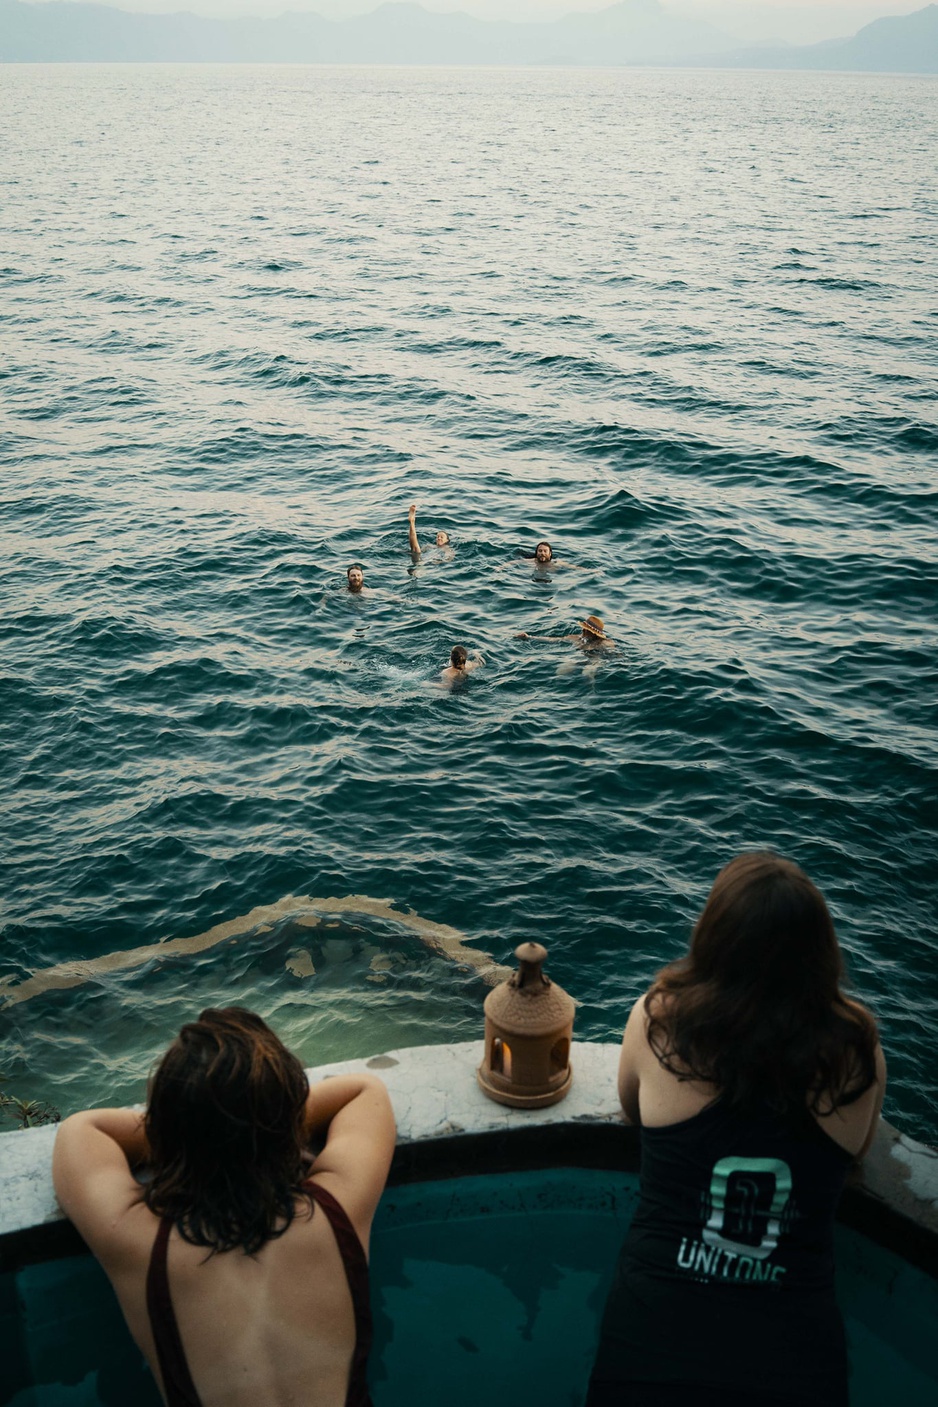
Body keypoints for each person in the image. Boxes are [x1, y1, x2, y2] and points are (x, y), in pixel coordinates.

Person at [586, 853, 886, 1407]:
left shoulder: (658, 1022)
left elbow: (632, 1112)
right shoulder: (857, 1050)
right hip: (794, 1364)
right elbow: (859, 1152)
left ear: (714, 938)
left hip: (650, 1348)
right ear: (820, 951)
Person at [52, 1007, 396, 1407]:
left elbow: (81, 1129)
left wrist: (191, 1126)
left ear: (167, 1130)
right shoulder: (339, 1207)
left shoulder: (138, 1242)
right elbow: (364, 1091)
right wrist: (263, 1118)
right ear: (286, 1123)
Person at [516, 615, 613, 649]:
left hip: (596, 658)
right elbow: (553, 640)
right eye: (584, 629)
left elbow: (613, 652)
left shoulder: (606, 642)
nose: (583, 630)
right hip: (581, 656)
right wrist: (529, 637)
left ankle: (591, 691)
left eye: (587, 630)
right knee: (563, 669)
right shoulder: (575, 638)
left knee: (589, 671)